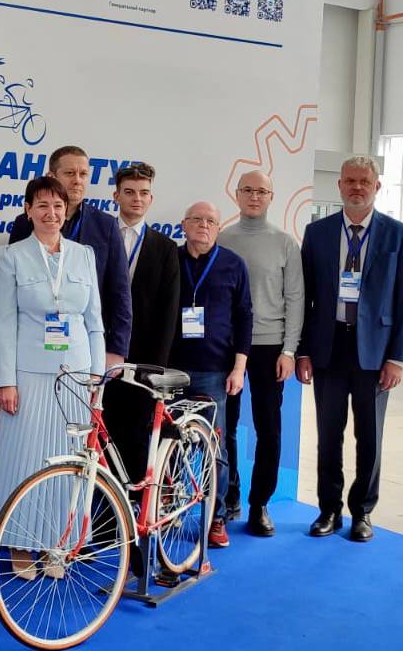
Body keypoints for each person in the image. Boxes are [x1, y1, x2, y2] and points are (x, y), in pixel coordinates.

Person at [297, 156, 403, 542]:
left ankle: (362, 512)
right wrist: (302, 351)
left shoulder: (398, 235)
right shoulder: (317, 233)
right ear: (339, 185)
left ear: (377, 186)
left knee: (370, 437)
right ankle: (328, 510)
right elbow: (304, 297)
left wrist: (397, 357)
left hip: (375, 353)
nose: (357, 187)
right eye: (350, 181)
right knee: (328, 436)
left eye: (364, 181)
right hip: (328, 348)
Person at [0, 176, 105, 578]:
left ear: (66, 211)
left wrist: (97, 380)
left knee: (71, 464)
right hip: (29, 377)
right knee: (25, 462)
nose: (51, 213)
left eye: (57, 206)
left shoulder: (84, 255)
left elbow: (95, 323)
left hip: (76, 378)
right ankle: (20, 544)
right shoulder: (11, 257)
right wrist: (5, 381)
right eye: (42, 205)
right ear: (28, 211)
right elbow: (2, 323)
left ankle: (59, 542)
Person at [217, 171, 304, 537]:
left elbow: (296, 299)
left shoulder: (285, 243)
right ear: (237, 195)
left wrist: (289, 350)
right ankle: (229, 495)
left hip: (270, 346)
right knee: (225, 426)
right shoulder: (222, 238)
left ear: (271, 196)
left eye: (261, 191)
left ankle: (259, 504)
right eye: (248, 190)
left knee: (268, 427)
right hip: (227, 346)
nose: (254, 196)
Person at [169, 201, 252, 549]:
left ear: (219, 228)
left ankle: (216, 517)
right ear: (183, 224)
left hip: (215, 371)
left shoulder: (234, 264)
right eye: (197, 219)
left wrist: (239, 367)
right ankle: (169, 509)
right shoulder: (169, 259)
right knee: (169, 444)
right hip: (170, 372)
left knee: (214, 448)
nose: (203, 225)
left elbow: (245, 317)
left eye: (211, 221)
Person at [8, 145, 131, 371]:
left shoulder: (106, 226)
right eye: (69, 173)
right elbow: (11, 294)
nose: (77, 181)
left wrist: (116, 349)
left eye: (83, 174)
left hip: (86, 346)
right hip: (33, 349)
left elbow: (120, 291)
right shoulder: (24, 223)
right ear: (51, 176)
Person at [102, 163, 180, 493]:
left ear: (151, 199)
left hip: (142, 363)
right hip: (102, 355)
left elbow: (168, 314)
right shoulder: (99, 237)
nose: (137, 198)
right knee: (101, 437)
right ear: (116, 195)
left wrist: (154, 370)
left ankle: (133, 511)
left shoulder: (165, 248)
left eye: (144, 193)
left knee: (135, 436)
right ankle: (104, 512)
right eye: (130, 192)